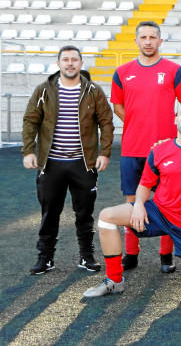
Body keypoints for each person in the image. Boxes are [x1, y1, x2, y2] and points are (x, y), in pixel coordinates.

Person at [83, 103, 181, 297]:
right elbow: (144, 185)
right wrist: (138, 206)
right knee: (106, 216)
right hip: (160, 212)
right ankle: (114, 280)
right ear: (175, 119)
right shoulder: (160, 150)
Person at [22, 45, 114, 275]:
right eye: (66, 59)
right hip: (51, 163)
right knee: (49, 211)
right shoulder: (44, 90)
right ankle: (46, 257)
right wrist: (28, 151)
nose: (70, 63)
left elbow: (106, 122)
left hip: (83, 164)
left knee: (84, 213)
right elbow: (30, 121)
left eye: (75, 59)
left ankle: (86, 256)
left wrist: (104, 153)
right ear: (58, 64)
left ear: (81, 64)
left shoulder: (93, 90)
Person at [111, 21, 181, 273]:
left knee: (169, 203)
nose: (148, 41)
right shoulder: (122, 72)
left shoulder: (174, 71)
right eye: (143, 37)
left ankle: (166, 255)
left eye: (153, 37)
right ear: (136, 41)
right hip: (132, 149)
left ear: (160, 41)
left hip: (167, 150)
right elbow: (119, 108)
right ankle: (132, 255)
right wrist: (139, 124)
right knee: (132, 201)